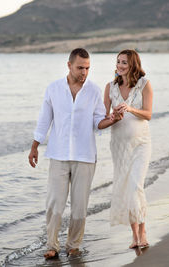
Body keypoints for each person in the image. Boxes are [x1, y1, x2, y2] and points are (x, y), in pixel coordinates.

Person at [28, 48, 121, 259]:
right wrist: (34, 146)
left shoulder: (94, 91)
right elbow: (44, 120)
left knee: (80, 206)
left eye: (87, 68)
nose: (84, 72)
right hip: (58, 155)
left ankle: (73, 245)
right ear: (69, 65)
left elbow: (99, 122)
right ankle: (52, 245)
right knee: (54, 204)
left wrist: (113, 119)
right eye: (80, 67)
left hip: (85, 156)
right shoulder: (53, 89)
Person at [104, 49, 153, 249]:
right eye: (118, 62)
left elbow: (148, 114)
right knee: (126, 188)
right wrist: (114, 116)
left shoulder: (144, 84)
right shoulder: (110, 87)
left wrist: (131, 108)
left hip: (141, 143)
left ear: (133, 64)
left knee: (135, 186)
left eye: (124, 62)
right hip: (119, 145)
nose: (120, 65)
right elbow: (102, 117)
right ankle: (134, 235)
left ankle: (143, 231)